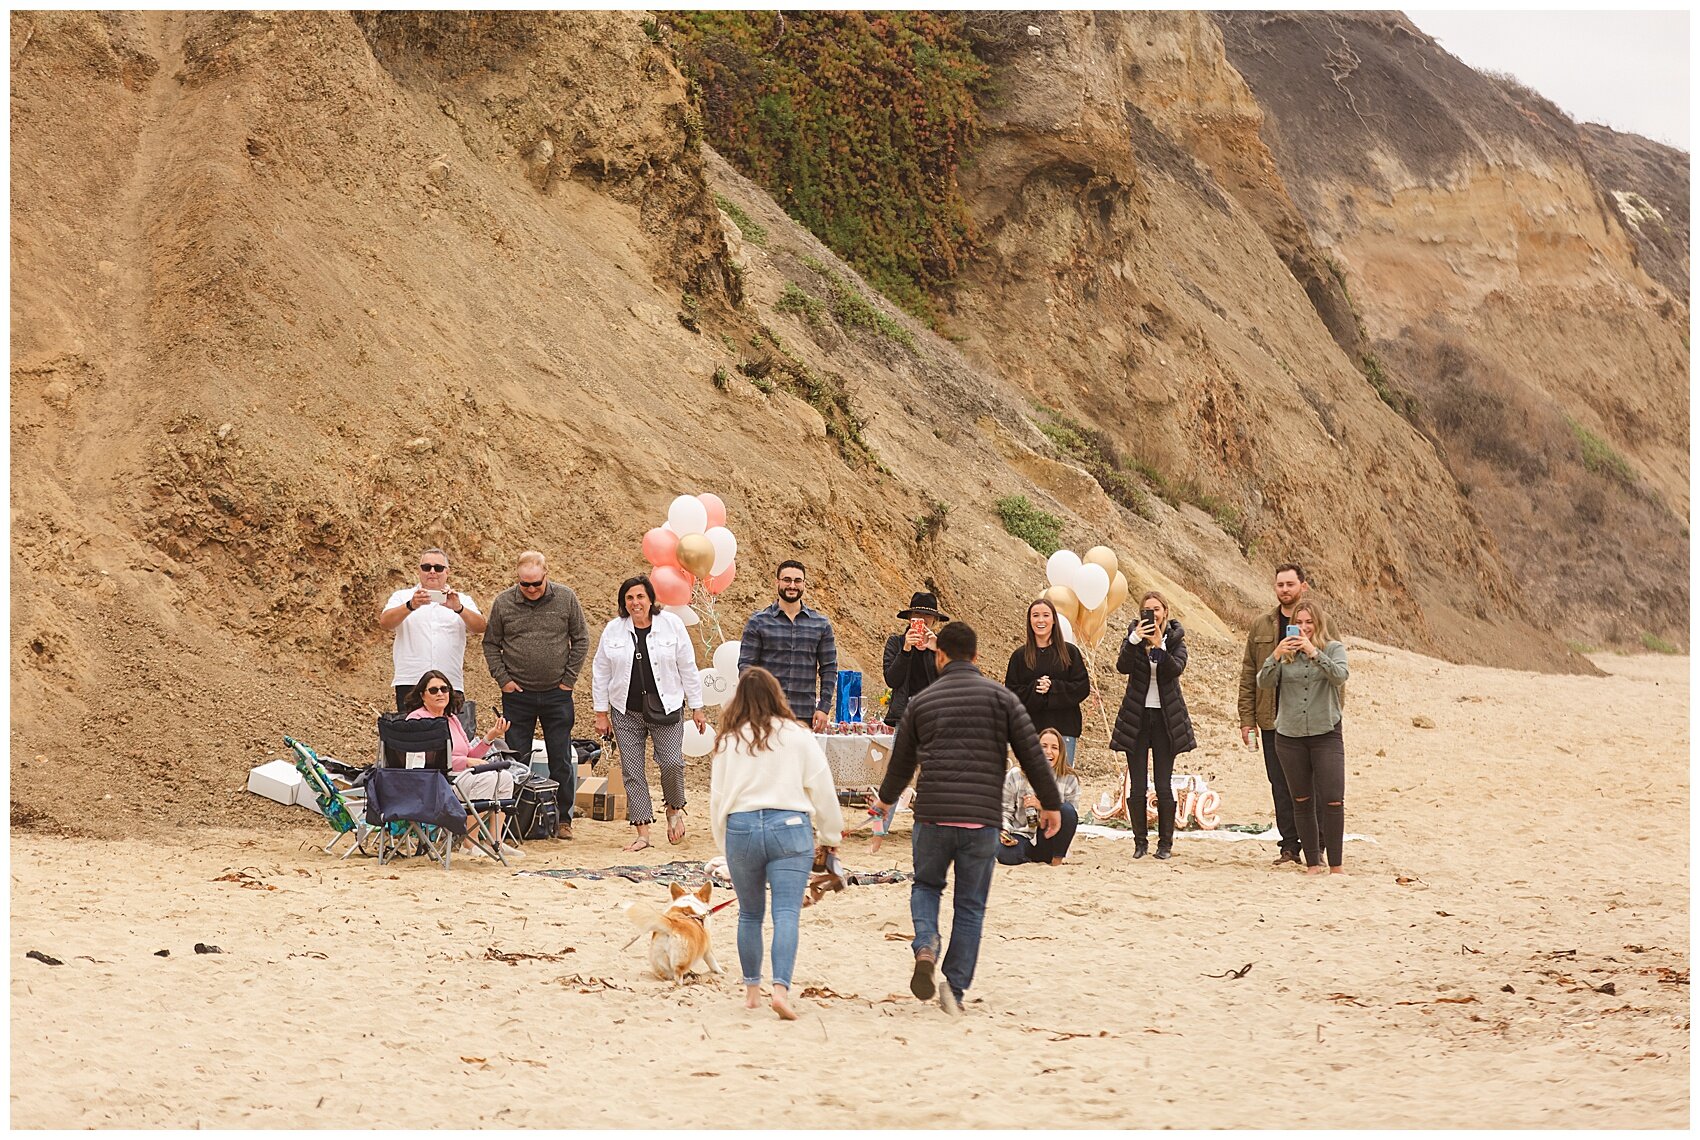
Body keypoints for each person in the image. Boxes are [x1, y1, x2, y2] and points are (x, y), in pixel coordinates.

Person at [873, 622, 1062, 1016]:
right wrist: (1050, 803)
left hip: (934, 817)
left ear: (939, 655)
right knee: (971, 906)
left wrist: (886, 803)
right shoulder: (1002, 698)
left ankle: (925, 945)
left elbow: (902, 763)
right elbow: (1031, 753)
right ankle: (954, 988)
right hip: (981, 821)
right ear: (976, 657)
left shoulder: (922, 702)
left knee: (926, 886)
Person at [709, 667, 845, 1021]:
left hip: (741, 828)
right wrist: (831, 837)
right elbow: (822, 788)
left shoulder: (728, 740)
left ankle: (752, 991)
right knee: (786, 914)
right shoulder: (798, 736)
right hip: (789, 826)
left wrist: (724, 845)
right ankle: (781, 990)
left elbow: (717, 798)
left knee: (750, 914)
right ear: (776, 696)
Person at [591, 575, 708, 852]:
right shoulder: (613, 630)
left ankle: (673, 809)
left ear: (651, 599)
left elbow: (688, 667)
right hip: (625, 710)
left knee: (671, 763)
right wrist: (601, 713)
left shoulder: (672, 625)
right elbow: (601, 671)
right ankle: (643, 832)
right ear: (624, 602)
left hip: (667, 707)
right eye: (629, 598)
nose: (635, 603)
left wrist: (697, 706)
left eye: (640, 597)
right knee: (632, 771)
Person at [482, 550, 589, 837]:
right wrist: (503, 680)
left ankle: (562, 820)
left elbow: (581, 638)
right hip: (517, 696)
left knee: (561, 758)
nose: (530, 589)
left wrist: (569, 680)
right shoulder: (504, 602)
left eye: (536, 584)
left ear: (546, 576)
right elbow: (491, 643)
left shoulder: (566, 598)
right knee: (516, 759)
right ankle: (515, 821)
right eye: (524, 584)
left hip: (557, 694)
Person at [1256, 600, 1350, 875]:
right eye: (1300, 622)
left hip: (1326, 733)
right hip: (1289, 735)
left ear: (1318, 623)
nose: (1305, 628)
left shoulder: (1333, 648)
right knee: (1302, 800)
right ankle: (1312, 863)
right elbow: (1263, 682)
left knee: (1333, 798)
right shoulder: (1285, 655)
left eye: (1310, 622)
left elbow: (1340, 675)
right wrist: (1275, 655)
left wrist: (1313, 652)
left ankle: (1336, 865)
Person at [1237, 563, 1317, 865]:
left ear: (1303, 586)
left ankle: (1315, 844)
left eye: (1290, 584)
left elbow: (1335, 668)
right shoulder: (1261, 625)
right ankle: (1289, 847)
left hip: (1309, 718)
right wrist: (1247, 719)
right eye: (1280, 585)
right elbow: (1248, 672)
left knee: (1311, 783)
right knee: (1280, 784)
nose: (1285, 590)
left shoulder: (1319, 623)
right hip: (1271, 717)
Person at [1110, 590, 1198, 861]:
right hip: (1137, 716)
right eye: (1147, 609)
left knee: (1162, 783)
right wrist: (1134, 640)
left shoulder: (1175, 641)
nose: (1153, 614)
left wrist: (1159, 644)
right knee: (1137, 785)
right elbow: (1122, 667)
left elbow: (1173, 670)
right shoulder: (1133, 638)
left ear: (1165, 612)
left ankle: (1165, 843)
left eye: (1157, 609)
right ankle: (1139, 842)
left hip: (1165, 719)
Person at [402, 669, 520, 860]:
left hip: (459, 776)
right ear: (422, 695)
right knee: (486, 781)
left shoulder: (451, 719)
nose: (440, 693)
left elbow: (470, 754)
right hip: (435, 781)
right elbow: (425, 760)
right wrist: (465, 761)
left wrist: (491, 736)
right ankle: (469, 843)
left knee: (505, 778)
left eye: (444, 688)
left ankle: (494, 841)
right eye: (433, 690)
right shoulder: (418, 719)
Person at [379, 547, 487, 711]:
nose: (432, 572)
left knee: (450, 734)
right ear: (419, 570)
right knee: (411, 733)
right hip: (411, 680)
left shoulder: (462, 599)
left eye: (438, 568)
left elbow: (480, 627)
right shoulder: (402, 597)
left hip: (449, 682)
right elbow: (385, 623)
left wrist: (458, 608)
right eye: (426, 567)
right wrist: (411, 606)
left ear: (447, 571)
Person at [736, 560, 838, 732]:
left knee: (800, 760)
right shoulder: (758, 622)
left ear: (804, 584)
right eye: (787, 580)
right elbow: (746, 668)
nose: (792, 585)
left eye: (798, 581)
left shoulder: (821, 624)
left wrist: (823, 707)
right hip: (766, 713)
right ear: (777, 582)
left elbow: (829, 669)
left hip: (804, 715)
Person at [1003, 598, 1091, 765]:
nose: (1040, 620)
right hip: (1030, 731)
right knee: (1030, 786)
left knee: (1061, 784)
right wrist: (1035, 689)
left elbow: (1082, 687)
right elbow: (1011, 694)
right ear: (1030, 621)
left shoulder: (1070, 652)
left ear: (1053, 620)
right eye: (1035, 615)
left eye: (1045, 615)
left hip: (1064, 729)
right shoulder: (1019, 656)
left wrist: (1053, 687)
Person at [998, 727, 1081, 866]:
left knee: (1066, 809)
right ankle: (1027, 858)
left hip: (1049, 837)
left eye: (1054, 747)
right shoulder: (1016, 775)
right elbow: (1004, 811)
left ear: (1061, 753)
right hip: (1022, 834)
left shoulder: (1069, 779)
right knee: (1006, 855)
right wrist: (1004, 831)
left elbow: (1071, 816)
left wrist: (1042, 806)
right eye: (1043, 746)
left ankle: (1056, 860)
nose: (1048, 752)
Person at [882, 590, 948, 728]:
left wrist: (938, 650)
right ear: (910, 618)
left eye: (928, 615)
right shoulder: (896, 642)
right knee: (902, 750)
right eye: (917, 614)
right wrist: (906, 649)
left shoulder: (942, 645)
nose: (923, 619)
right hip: (906, 716)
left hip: (935, 715)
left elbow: (953, 681)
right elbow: (892, 680)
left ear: (935, 620)